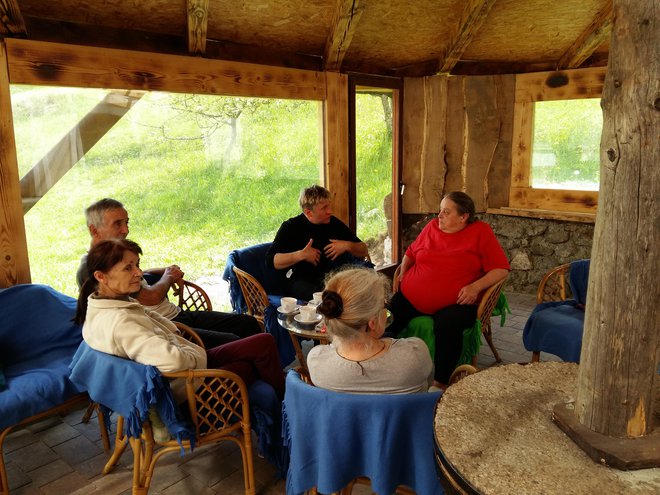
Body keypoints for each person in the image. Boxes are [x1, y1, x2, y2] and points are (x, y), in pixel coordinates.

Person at [75, 238, 285, 401]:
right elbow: (174, 361)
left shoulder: (99, 306)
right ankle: (282, 406)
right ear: (100, 276)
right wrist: (192, 352)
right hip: (190, 394)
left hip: (188, 362)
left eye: (137, 265)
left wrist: (183, 343)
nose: (139, 273)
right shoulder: (120, 322)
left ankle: (279, 402)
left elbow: (160, 328)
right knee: (250, 365)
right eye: (128, 268)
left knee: (261, 342)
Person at [76, 198, 261, 348]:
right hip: (167, 326)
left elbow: (141, 276)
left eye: (126, 222)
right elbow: (150, 298)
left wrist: (163, 270)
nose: (126, 230)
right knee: (240, 342)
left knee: (248, 323)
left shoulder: (114, 256)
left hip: (176, 314)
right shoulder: (93, 268)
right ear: (94, 230)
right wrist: (169, 276)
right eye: (118, 224)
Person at [387, 191, 510, 389]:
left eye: (446, 212)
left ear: (464, 217)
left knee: (447, 325)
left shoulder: (480, 232)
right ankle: (380, 368)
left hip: (457, 302)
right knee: (387, 319)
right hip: (411, 296)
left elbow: (501, 269)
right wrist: (404, 270)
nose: (439, 216)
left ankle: (440, 383)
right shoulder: (432, 227)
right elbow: (411, 252)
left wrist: (475, 287)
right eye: (440, 210)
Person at [307, 267, 433, 394]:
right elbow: (428, 386)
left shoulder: (316, 361)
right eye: (384, 304)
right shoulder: (415, 355)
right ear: (372, 323)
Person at [266, 185, 369, 301]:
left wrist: (346, 245)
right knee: (328, 299)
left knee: (364, 286)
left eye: (329, 206)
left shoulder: (333, 223)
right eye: (324, 208)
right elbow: (271, 260)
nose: (330, 211)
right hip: (302, 281)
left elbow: (363, 250)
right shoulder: (291, 227)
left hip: (333, 278)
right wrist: (301, 255)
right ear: (309, 213)